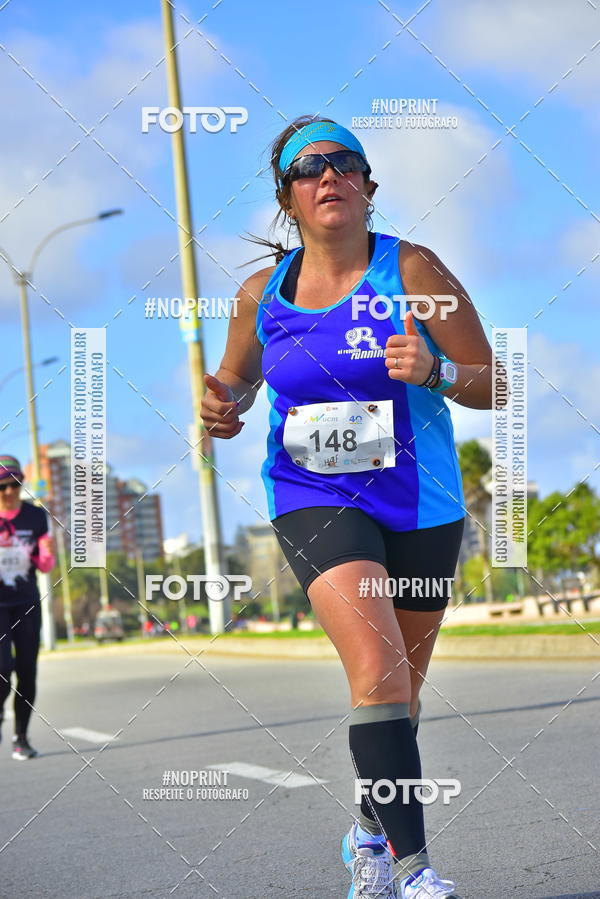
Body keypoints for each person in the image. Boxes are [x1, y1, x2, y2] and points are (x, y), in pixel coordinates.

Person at [200, 116, 494, 898]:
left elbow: (495, 383)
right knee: (375, 667)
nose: (326, 175)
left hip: (419, 502)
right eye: (308, 168)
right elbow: (236, 378)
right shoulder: (263, 294)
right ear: (289, 197)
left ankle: (368, 829)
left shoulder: (415, 269)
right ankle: (411, 871)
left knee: (398, 691)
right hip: (313, 494)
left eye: (343, 163)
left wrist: (433, 372)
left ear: (367, 185)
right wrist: (223, 403)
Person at [0, 455, 55, 760]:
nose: (9, 492)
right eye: (3, 486)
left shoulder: (35, 517)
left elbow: (44, 566)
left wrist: (47, 554)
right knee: (2, 669)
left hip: (25, 602)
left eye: (15, 484)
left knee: (28, 672)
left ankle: (21, 737)